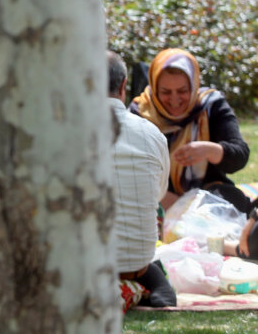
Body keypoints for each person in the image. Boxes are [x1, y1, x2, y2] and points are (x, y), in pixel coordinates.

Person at [130, 48, 253, 217]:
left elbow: (240, 156)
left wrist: (209, 150)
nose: (174, 100)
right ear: (154, 87)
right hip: (156, 198)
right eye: (165, 92)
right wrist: (169, 200)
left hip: (207, 196)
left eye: (182, 91)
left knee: (233, 201)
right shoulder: (139, 113)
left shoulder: (211, 106)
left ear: (194, 85)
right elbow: (131, 170)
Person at [107, 52, 177, 308]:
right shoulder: (151, 133)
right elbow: (158, 195)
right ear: (124, 85)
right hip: (136, 263)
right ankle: (157, 284)